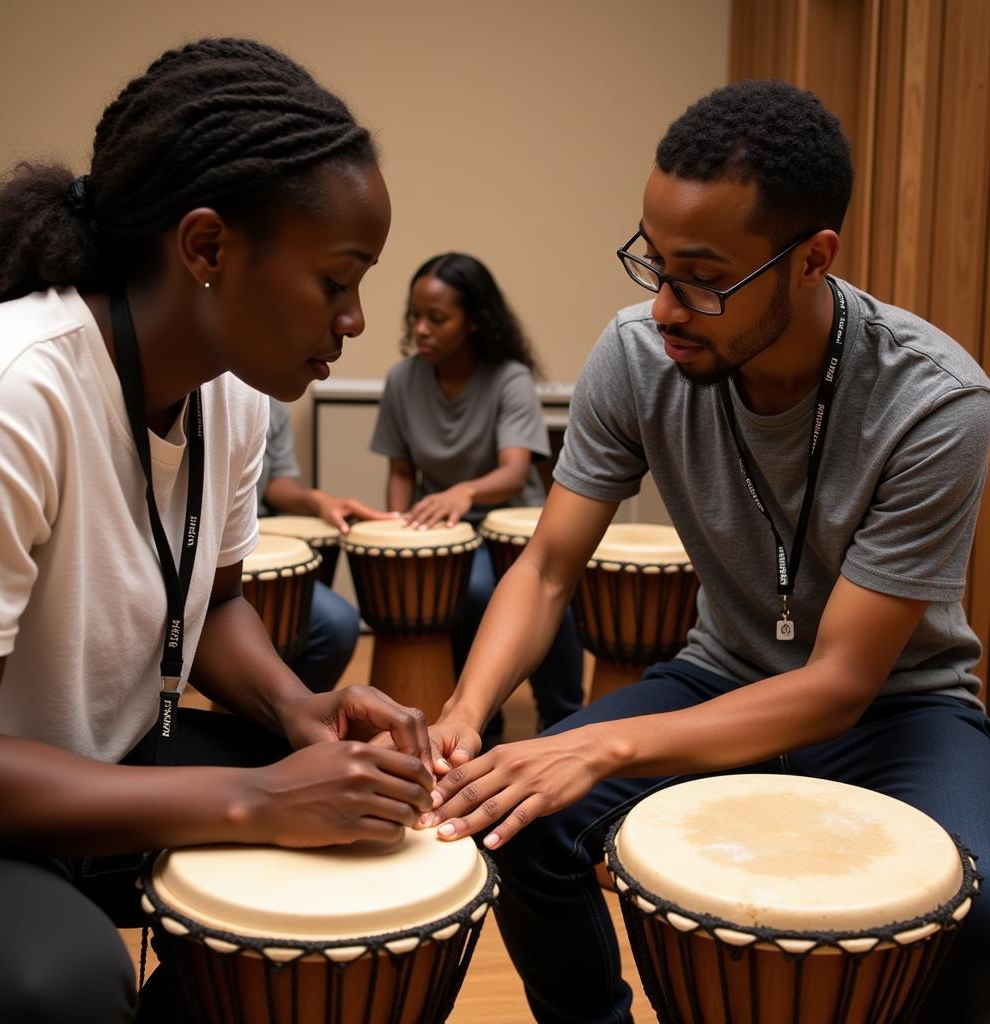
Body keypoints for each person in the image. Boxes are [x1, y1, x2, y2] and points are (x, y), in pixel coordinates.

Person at [419, 80, 990, 1023]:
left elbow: (839, 684)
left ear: (813, 260)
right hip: (718, 677)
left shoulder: (934, 402)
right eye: (653, 262)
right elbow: (550, 568)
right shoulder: (637, 356)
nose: (665, 309)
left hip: (899, 710)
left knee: (972, 909)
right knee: (516, 823)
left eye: (703, 277)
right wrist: (468, 710)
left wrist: (603, 744)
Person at [0, 38, 436, 1024]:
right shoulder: (4, 396)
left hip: (116, 755)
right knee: (60, 981)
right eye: (337, 280)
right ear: (208, 248)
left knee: (387, 833)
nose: (355, 320)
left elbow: (215, 603)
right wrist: (257, 802)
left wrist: (298, 709)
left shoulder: (235, 400)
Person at [370, 252, 584, 738]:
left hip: (514, 523)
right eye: (414, 317)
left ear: (473, 322)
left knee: (506, 591)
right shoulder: (402, 381)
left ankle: (563, 713)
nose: (421, 329)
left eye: (437, 318)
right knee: (465, 590)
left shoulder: (508, 378)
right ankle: (482, 719)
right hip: (447, 526)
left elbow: (514, 473)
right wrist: (397, 527)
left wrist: (463, 491)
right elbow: (401, 470)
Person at [257, 396, 393, 691]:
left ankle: (281, 728)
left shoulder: (271, 406)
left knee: (337, 625)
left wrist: (320, 501)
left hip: (253, 543)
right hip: (187, 551)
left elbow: (276, 484)